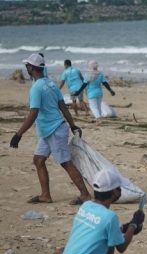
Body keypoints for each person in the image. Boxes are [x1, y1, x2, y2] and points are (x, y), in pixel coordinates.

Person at [56, 168, 145, 254]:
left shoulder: (86, 206)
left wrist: (125, 229)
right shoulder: (110, 217)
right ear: (115, 192)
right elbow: (121, 247)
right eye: (119, 188)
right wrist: (134, 225)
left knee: (110, 245)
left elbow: (100, 231)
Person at [9, 53, 91, 205]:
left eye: (27, 65)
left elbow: (33, 113)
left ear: (32, 68)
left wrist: (18, 134)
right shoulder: (51, 83)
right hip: (49, 131)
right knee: (38, 160)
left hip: (54, 130)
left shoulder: (36, 88)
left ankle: (85, 194)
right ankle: (45, 195)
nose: (26, 67)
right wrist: (72, 125)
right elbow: (63, 107)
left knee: (65, 162)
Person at [74, 60, 115, 125]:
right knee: (98, 107)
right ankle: (99, 119)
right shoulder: (100, 74)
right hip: (99, 93)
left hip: (91, 94)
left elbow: (84, 85)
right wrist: (110, 90)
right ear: (97, 66)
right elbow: (105, 83)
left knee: (93, 107)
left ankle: (99, 119)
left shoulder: (87, 75)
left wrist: (78, 92)